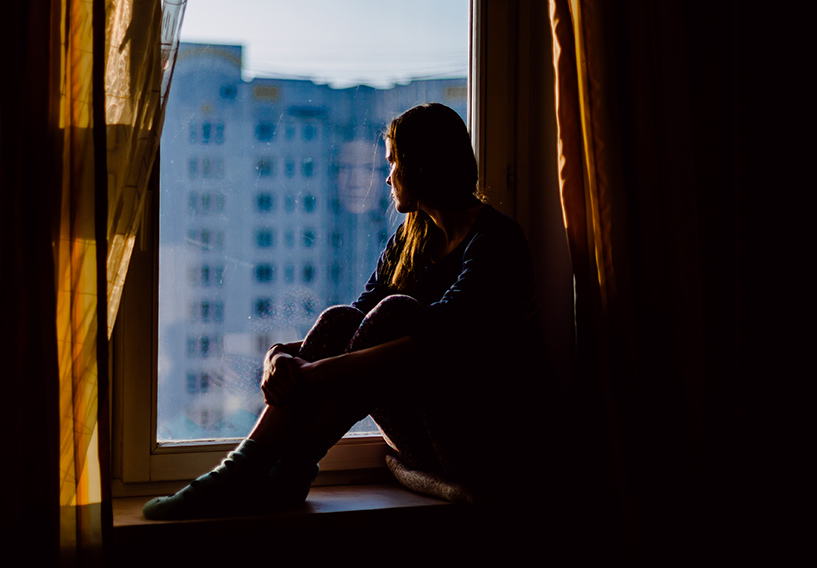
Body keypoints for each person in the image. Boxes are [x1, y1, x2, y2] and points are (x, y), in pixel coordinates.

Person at [143, 103, 549, 520]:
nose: (387, 177)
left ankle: (267, 472)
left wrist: (315, 372)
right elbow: (356, 322)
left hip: (490, 442)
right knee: (343, 318)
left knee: (398, 313)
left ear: (422, 166)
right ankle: (258, 467)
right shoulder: (410, 241)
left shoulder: (497, 239)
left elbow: (437, 336)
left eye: (392, 163)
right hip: (429, 435)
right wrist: (281, 354)